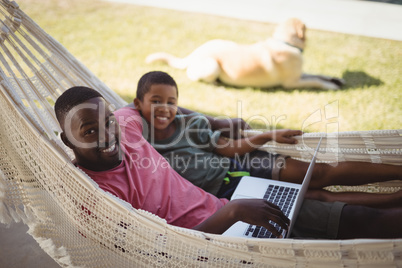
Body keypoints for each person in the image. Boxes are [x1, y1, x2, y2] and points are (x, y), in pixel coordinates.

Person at [54, 86, 402, 239]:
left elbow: (152, 107)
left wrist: (216, 122)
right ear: (67, 141)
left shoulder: (127, 127)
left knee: (360, 220)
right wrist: (230, 214)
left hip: (237, 207)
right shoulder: (94, 196)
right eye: (89, 131)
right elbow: (155, 250)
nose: (107, 135)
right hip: (217, 243)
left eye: (108, 121)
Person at [133, 71, 402, 208]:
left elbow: (227, 149)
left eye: (171, 102)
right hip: (228, 192)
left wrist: (266, 135)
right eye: (156, 101)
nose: (164, 109)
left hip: (242, 165)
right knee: (316, 198)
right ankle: (393, 201)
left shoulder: (190, 124)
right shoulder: (139, 140)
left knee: (318, 172)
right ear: (138, 104)